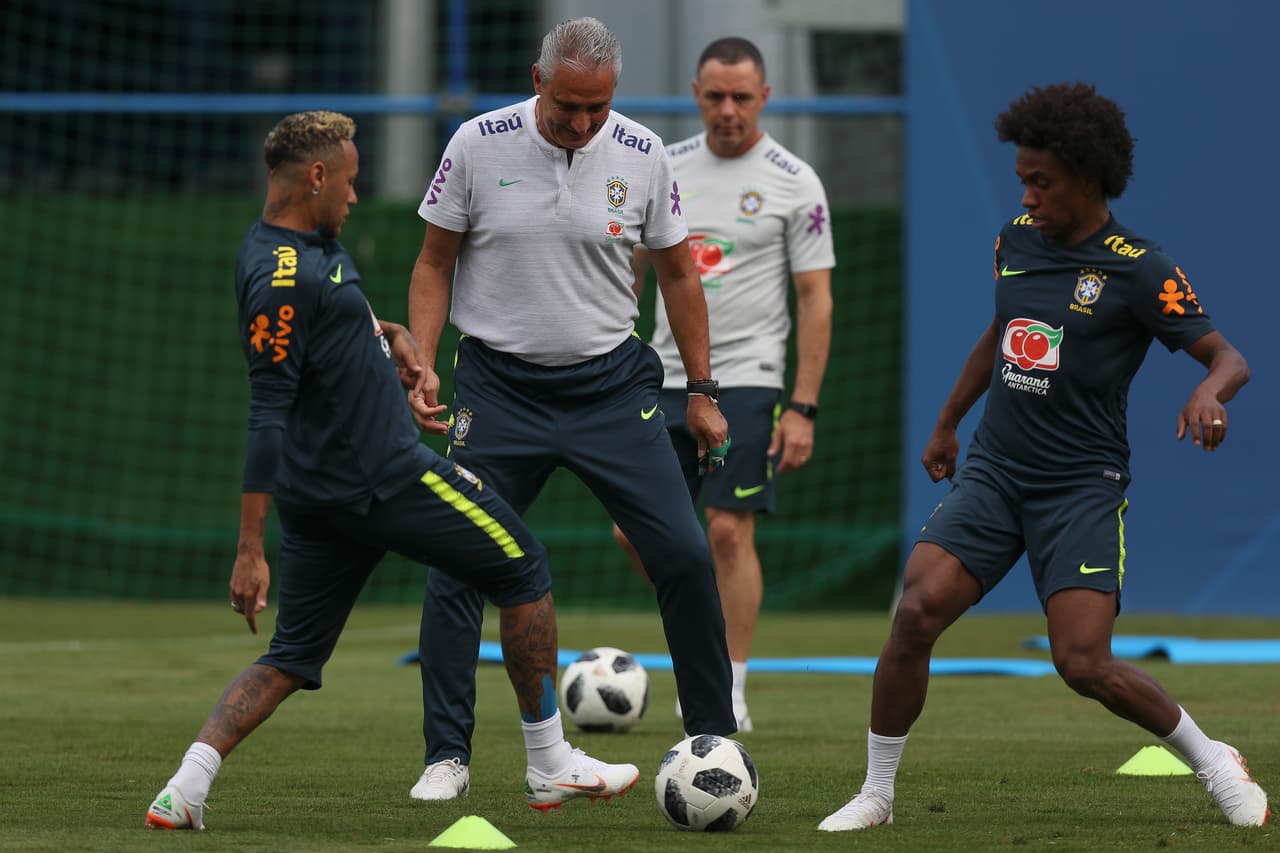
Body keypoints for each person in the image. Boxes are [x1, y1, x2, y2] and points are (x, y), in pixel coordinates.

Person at [143, 111, 639, 830]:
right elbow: (267, 413)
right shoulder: (280, 281)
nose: (355, 192)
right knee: (523, 566)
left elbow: (332, 321)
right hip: (382, 478)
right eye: (348, 178)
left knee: (291, 655)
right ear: (316, 177)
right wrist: (251, 549)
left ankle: (184, 787)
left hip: (324, 497)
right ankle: (550, 763)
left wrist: (391, 336)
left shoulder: (296, 246)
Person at [819, 82, 1269, 832]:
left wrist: (1209, 393)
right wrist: (946, 422)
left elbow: (1229, 356)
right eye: (1021, 179)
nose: (1026, 195)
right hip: (996, 470)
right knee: (917, 609)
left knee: (1083, 663)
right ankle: (877, 793)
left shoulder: (1139, 267)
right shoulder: (1014, 241)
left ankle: (1214, 758)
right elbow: (999, 334)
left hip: (1079, 487)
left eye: (1041, 181)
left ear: (1088, 179)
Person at [404, 16, 737, 802]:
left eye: (598, 109)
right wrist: (419, 366)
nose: (583, 126)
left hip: (612, 390)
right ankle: (446, 756)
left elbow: (679, 275)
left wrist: (702, 389)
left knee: (686, 556)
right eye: (567, 109)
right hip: (498, 392)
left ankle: (711, 739)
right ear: (537, 80)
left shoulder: (643, 153)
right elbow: (432, 262)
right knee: (458, 565)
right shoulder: (476, 144)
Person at [611, 37, 834, 733]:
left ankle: (728, 681)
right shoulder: (662, 167)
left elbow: (815, 299)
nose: (728, 109)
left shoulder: (796, 181)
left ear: (764, 97)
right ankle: (705, 632)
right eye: (715, 96)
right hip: (663, 377)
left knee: (728, 532)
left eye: (742, 96)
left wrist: (802, 407)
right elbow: (632, 273)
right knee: (631, 531)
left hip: (748, 379)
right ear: (696, 95)